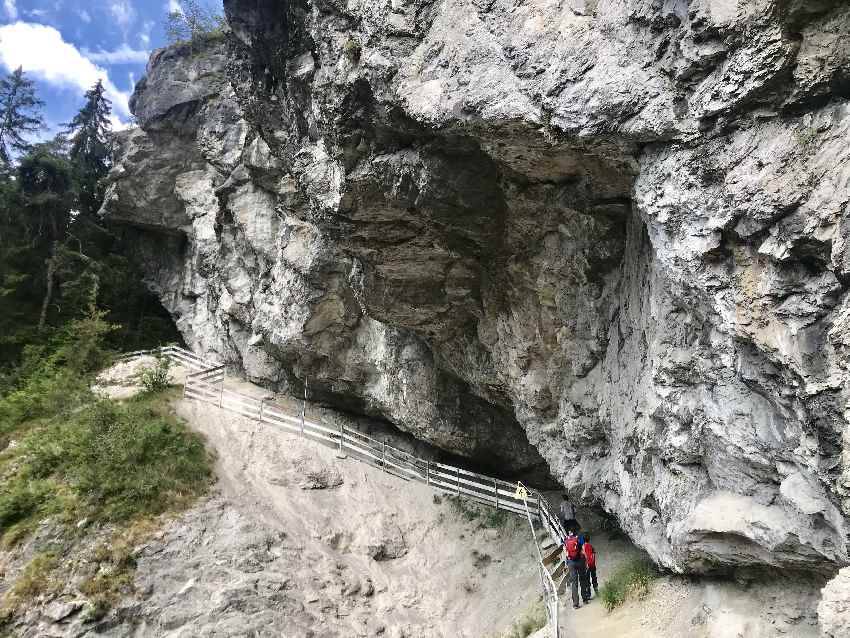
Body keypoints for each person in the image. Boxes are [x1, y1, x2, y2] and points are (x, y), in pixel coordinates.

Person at [564, 530, 587, 609]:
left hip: (571, 563)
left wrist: (567, 563)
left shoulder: (565, 540)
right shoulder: (579, 538)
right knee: (582, 579)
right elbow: (583, 550)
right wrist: (585, 560)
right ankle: (585, 599)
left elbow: (565, 551)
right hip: (580, 561)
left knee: (574, 583)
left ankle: (575, 604)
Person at [583, 533, 598, 598]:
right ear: (589, 539)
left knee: (587, 580)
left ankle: (588, 595)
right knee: (594, 578)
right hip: (592, 565)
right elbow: (594, 554)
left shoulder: (582, 547)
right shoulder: (591, 546)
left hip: (586, 566)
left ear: (583, 540)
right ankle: (597, 592)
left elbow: (582, 557)